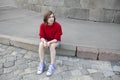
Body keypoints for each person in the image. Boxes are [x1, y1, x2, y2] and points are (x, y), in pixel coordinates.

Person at [37, 10, 62, 76]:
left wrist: (49, 42)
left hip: (56, 41)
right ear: (46, 18)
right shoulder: (42, 25)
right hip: (47, 40)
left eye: (52, 17)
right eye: (49, 17)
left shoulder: (58, 25)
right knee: (41, 44)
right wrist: (45, 41)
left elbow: (57, 39)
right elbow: (41, 36)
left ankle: (52, 65)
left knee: (52, 46)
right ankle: (42, 63)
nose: (52, 19)